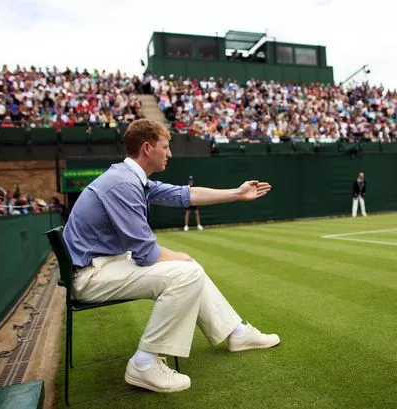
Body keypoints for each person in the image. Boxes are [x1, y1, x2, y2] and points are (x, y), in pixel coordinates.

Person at [63, 119, 280, 394]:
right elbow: (145, 253)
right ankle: (144, 363)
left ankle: (235, 332)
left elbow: (185, 195)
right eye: (165, 147)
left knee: (187, 267)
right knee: (186, 270)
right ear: (146, 148)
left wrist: (236, 194)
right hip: (91, 275)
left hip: (104, 264)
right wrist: (182, 257)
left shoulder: (130, 178)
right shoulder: (123, 184)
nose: (169, 153)